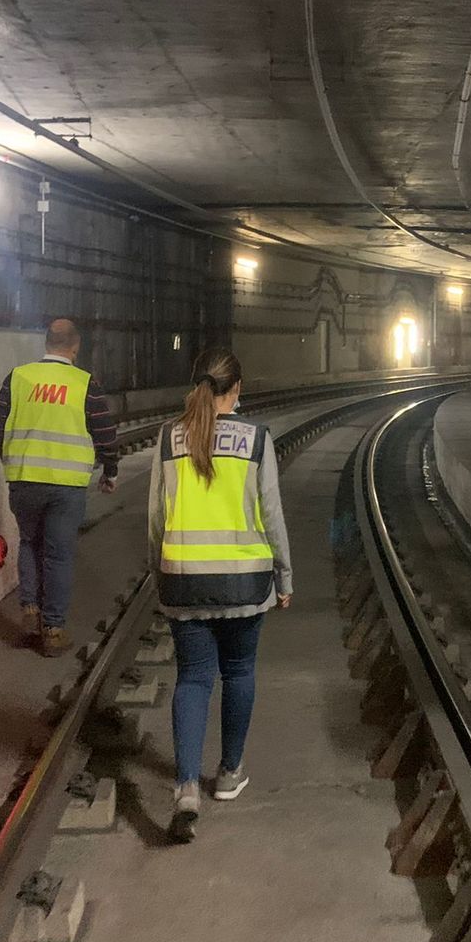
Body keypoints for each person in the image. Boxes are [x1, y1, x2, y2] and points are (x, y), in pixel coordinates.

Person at [147, 347, 293, 844]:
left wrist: (159, 572)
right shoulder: (256, 439)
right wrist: (285, 576)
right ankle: (228, 774)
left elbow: (156, 517)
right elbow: (270, 513)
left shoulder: (169, 437)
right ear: (237, 390)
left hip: (184, 578)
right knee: (239, 672)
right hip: (245, 580)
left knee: (192, 678)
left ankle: (186, 786)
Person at [0, 318, 118, 657]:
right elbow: (105, 431)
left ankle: (30, 612)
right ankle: (54, 630)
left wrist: (13, 459)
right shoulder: (84, 383)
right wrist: (111, 469)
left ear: (46, 343)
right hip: (66, 485)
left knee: (30, 544)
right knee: (58, 555)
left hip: (24, 481)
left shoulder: (18, 378)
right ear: (75, 347)